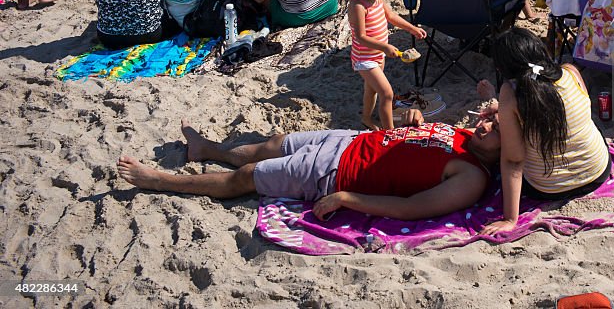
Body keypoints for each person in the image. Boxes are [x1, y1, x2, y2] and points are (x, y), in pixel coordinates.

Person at [116, 115, 500, 221]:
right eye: (489, 118)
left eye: (495, 129)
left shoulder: (471, 176)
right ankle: (208, 148)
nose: (484, 125)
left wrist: (349, 199)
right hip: (351, 140)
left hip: (335, 172)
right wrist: (408, 118)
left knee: (249, 178)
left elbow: (412, 209)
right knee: (272, 144)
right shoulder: (471, 135)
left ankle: (160, 181)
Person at [477, 28, 610, 235]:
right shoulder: (570, 71)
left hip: (548, 188)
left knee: (507, 145)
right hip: (597, 173)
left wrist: (510, 219)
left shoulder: (510, 93)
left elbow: (513, 160)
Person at [345, 0, 426, 130]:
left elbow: (390, 16)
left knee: (371, 90)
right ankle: (389, 132)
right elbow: (360, 37)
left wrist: (411, 28)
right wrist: (385, 46)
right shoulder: (358, 4)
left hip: (377, 56)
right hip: (364, 59)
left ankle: (366, 118)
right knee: (387, 93)